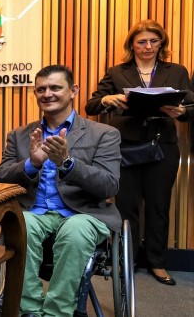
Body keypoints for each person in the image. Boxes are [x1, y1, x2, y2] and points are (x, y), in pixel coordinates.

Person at [0, 64, 121, 317]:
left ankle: (57, 313)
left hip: (83, 214)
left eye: (55, 87)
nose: (47, 94)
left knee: (75, 231)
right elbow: (1, 177)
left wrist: (67, 164)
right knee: (21, 226)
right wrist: (32, 163)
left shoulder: (104, 134)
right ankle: (30, 310)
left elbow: (109, 185)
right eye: (41, 89)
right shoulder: (20, 135)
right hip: (35, 211)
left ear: (73, 90)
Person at [84, 20, 194, 286]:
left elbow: (191, 106)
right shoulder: (117, 71)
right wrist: (108, 100)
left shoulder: (177, 71)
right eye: (142, 41)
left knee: (158, 206)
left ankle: (157, 263)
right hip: (124, 147)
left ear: (161, 43)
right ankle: (126, 260)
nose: (148, 47)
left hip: (163, 146)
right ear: (131, 44)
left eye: (153, 41)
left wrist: (183, 112)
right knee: (126, 208)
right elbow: (91, 105)